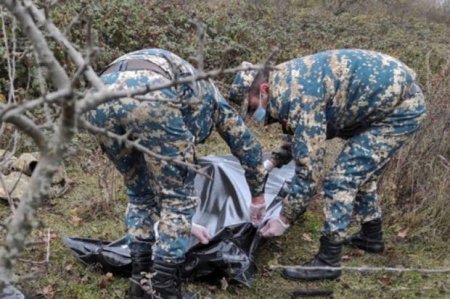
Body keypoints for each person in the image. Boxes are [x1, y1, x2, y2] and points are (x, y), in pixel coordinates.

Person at [228, 49, 426, 281]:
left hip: (400, 110)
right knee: (363, 173)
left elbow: (309, 169)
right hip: (383, 104)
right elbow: (300, 135)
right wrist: (271, 162)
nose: (253, 115)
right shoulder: (286, 82)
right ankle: (371, 237)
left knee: (341, 180)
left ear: (264, 90)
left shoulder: (299, 94)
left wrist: (284, 219)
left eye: (251, 108)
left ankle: (328, 261)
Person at [86, 48, 267, 298]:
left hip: (98, 93)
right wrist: (258, 197)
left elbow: (154, 177)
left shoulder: (192, 85)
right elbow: (249, 149)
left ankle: (141, 284)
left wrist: (181, 224)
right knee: (178, 198)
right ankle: (164, 290)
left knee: (139, 194)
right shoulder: (214, 100)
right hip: (150, 92)